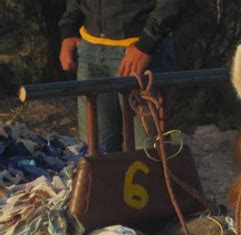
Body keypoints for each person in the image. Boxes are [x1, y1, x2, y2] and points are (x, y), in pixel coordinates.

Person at [58, 0, 193, 152]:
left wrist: (147, 43)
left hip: (141, 54)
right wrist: (69, 28)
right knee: (96, 156)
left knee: (147, 156)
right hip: (90, 53)